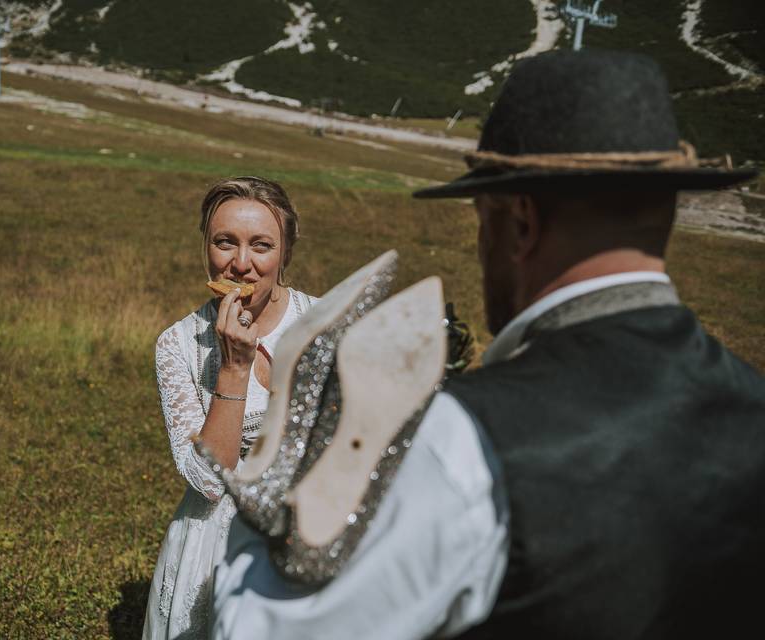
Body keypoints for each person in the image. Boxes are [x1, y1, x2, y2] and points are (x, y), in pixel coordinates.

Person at [209, 49, 765, 639]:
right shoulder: (752, 402)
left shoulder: (466, 439)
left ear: (519, 221)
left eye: (481, 218)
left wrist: (278, 470)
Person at [142, 177, 317, 639]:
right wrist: (234, 369)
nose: (241, 264)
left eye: (261, 245)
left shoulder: (327, 323)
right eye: (225, 243)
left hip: (312, 535)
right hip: (214, 544)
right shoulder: (177, 345)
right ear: (207, 246)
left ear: (285, 253)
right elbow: (208, 481)